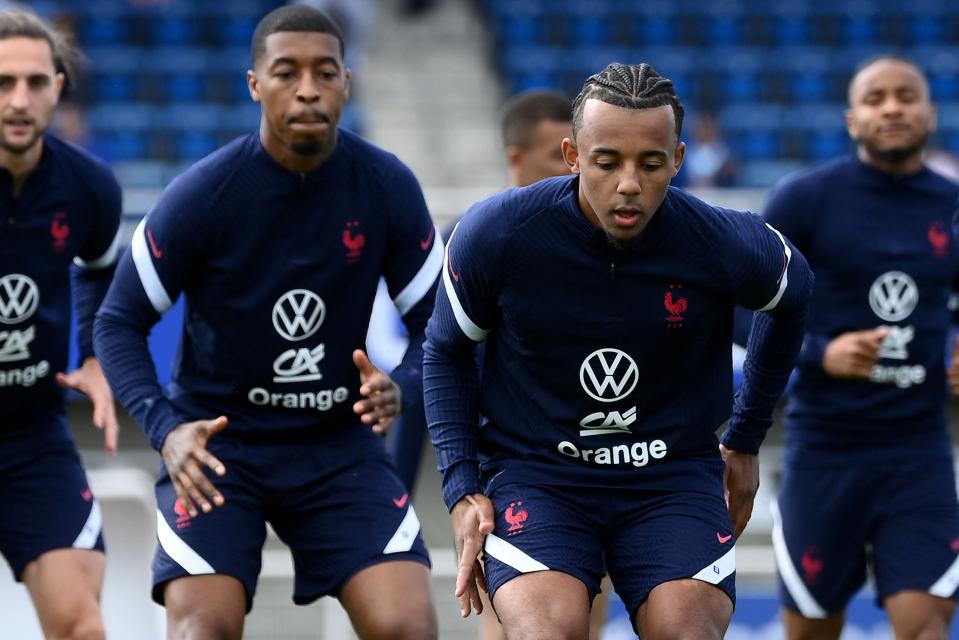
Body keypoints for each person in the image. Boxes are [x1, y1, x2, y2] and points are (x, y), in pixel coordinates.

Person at [423, 62, 814, 639]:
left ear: (678, 159)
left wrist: (747, 437)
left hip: (671, 479)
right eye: (607, 162)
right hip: (538, 474)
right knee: (544, 631)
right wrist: (460, 487)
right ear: (573, 154)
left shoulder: (721, 241)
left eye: (651, 164)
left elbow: (793, 294)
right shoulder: (498, 235)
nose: (628, 182)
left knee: (685, 631)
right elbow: (445, 352)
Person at [93, 6, 439, 639]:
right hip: (220, 448)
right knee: (204, 631)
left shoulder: (386, 187)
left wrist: (403, 385)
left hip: (338, 446)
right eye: (286, 72)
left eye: (324, 72)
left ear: (346, 82)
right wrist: (167, 428)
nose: (307, 88)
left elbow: (437, 331)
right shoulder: (203, 195)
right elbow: (117, 323)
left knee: (408, 627)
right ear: (255, 83)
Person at [761, 56, 959, 639]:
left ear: (929, 112)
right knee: (812, 632)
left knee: (926, 626)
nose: (892, 107)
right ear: (852, 119)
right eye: (876, 98)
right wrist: (822, 352)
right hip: (825, 447)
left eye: (906, 95)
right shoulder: (803, 200)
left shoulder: (951, 206)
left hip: (917, 450)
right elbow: (744, 313)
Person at [0, 9, 122, 640]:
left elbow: (97, 270)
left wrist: (98, 353)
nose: (19, 100)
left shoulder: (89, 188)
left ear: (58, 85)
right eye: (2, 83)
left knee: (82, 627)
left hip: (29, 434)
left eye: (35, 82)